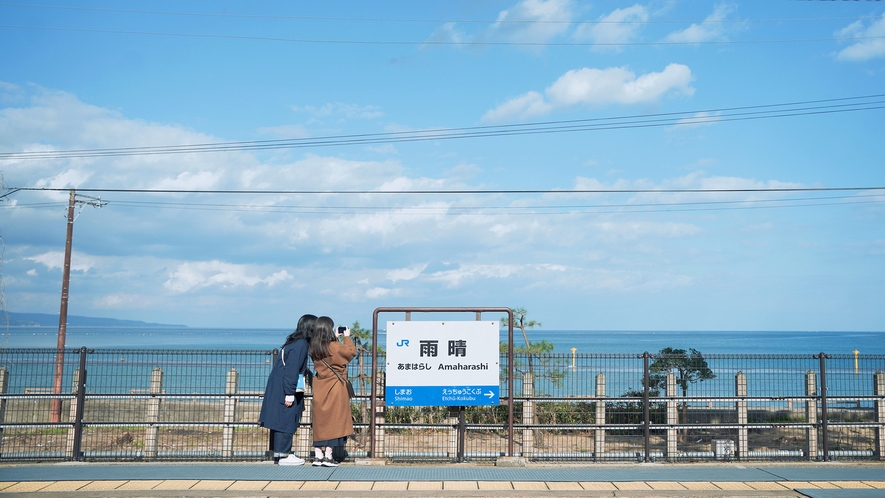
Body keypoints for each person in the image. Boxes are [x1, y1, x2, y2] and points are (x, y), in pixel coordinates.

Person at [258, 314, 316, 465]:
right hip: (286, 389)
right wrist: (289, 394)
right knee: (286, 419)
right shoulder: (301, 345)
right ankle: (283, 455)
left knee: (280, 420)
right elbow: (292, 371)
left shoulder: (294, 342)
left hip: (278, 387)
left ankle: (281, 453)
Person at [308, 316, 356, 467]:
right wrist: (347, 337)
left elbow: (328, 351)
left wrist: (335, 337)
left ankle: (318, 454)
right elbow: (350, 352)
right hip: (335, 387)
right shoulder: (333, 346)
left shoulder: (314, 346)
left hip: (320, 385)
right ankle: (329, 455)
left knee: (320, 421)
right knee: (335, 420)